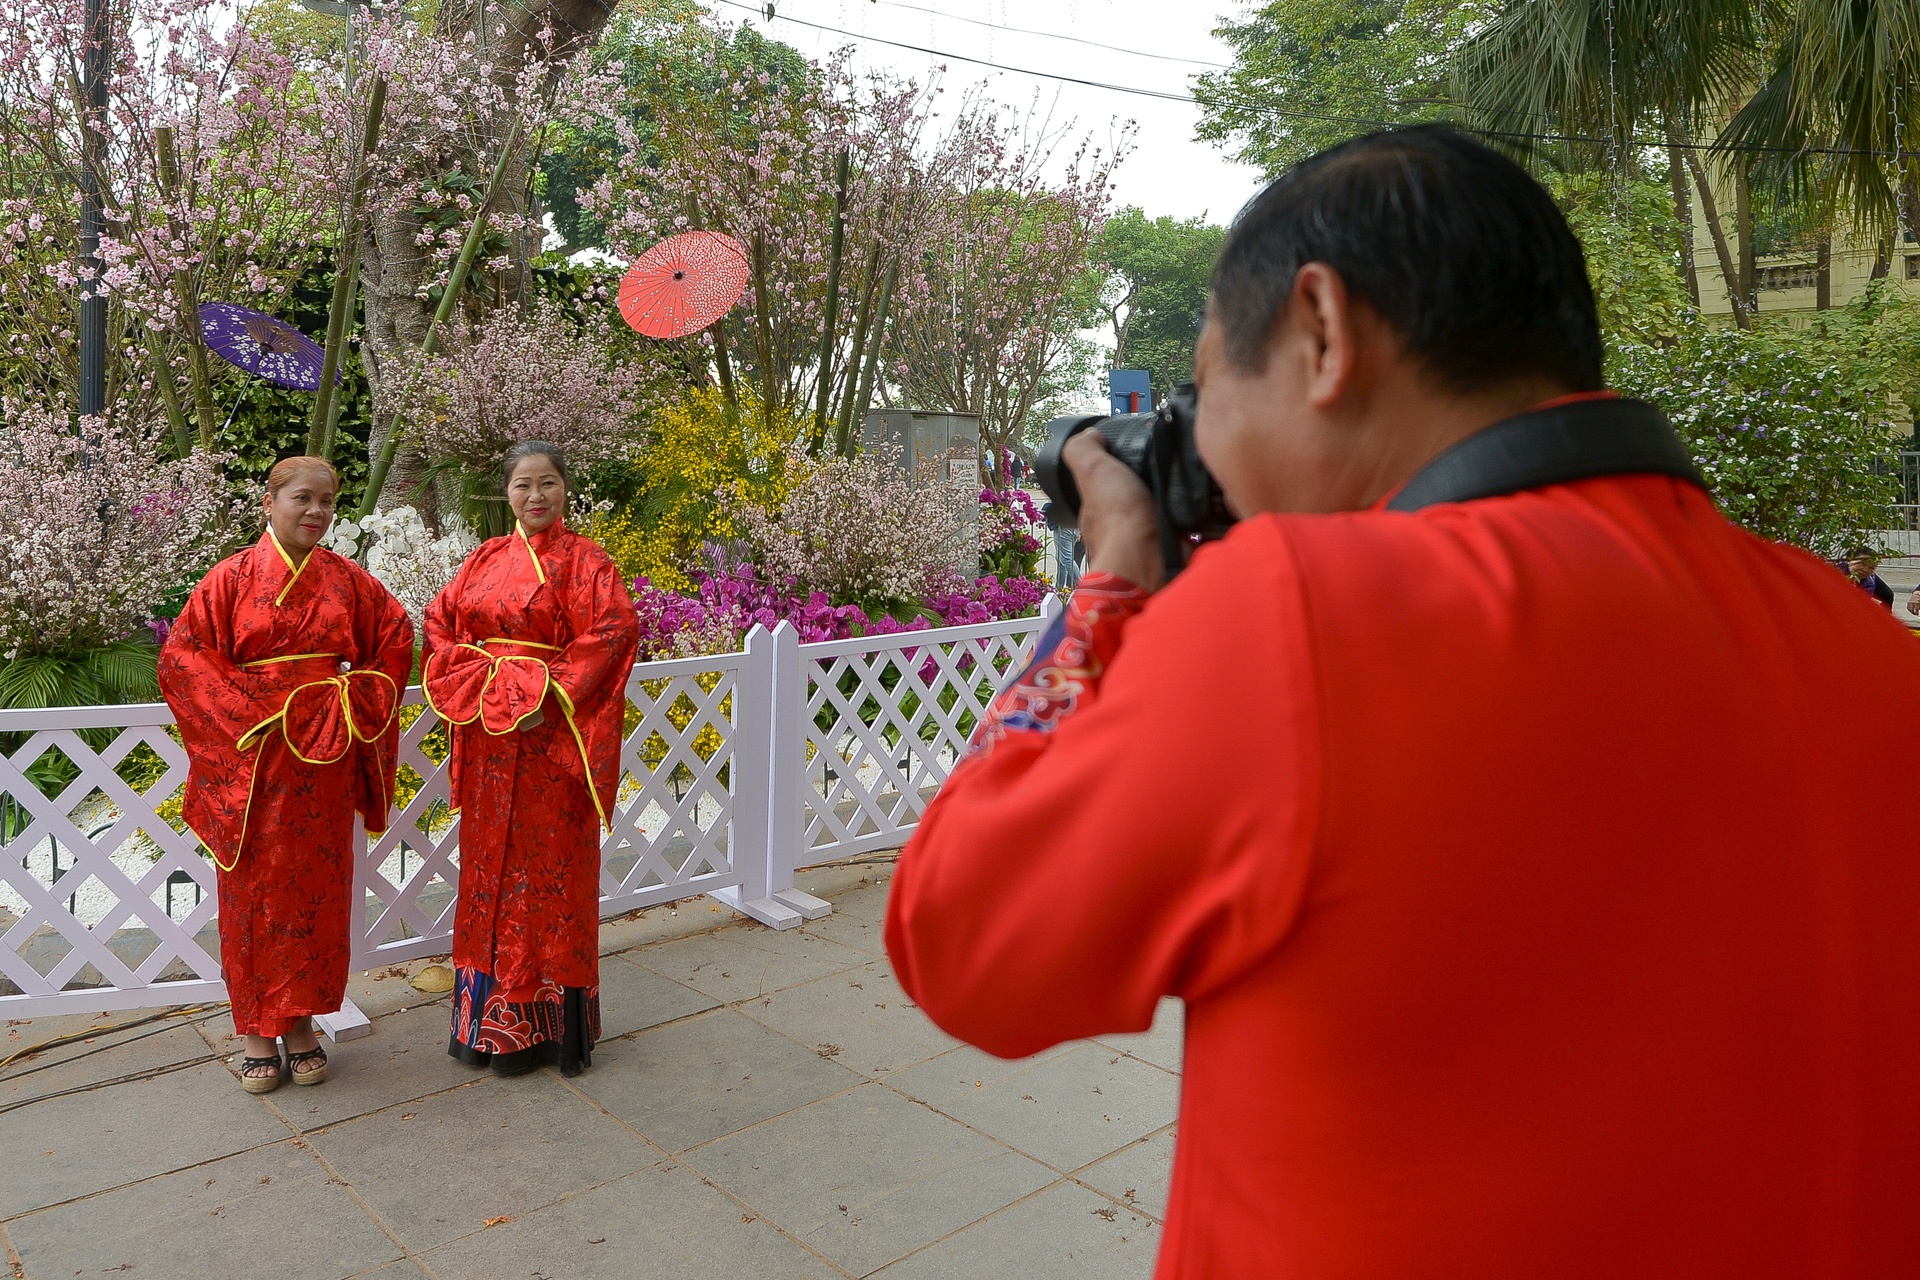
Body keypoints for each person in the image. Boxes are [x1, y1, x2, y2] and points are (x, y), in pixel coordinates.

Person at [885, 126, 1920, 1277]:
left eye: (1210, 390)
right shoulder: (1869, 644)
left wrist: (1113, 583)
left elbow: (965, 939)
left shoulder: (1296, 615)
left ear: (1323, 333)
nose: (1209, 458)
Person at [159, 456, 414, 1094]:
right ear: (268, 501)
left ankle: (301, 1026)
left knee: (316, 891)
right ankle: (255, 1031)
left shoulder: (346, 579)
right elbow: (182, 657)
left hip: (322, 760)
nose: (316, 512)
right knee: (252, 895)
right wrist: (253, 713)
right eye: (302, 499)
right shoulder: (231, 578)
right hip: (252, 762)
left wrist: (355, 700)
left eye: (327, 501)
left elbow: (395, 636)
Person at [423, 441, 640, 1077]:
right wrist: (471, 675)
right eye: (523, 485)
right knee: (487, 870)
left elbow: (613, 634)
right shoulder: (485, 558)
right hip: (492, 734)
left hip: (552, 739)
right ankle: (484, 1023)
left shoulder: (589, 564)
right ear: (507, 493)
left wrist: (550, 691)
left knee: (548, 875)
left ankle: (544, 1027)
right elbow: (439, 622)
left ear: (565, 490)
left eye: (547, 483)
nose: (535, 496)